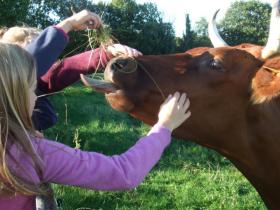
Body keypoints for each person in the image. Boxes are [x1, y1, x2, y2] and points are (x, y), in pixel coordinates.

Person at [0, 42, 191, 209]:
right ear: (14, 95)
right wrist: (165, 125)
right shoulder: (34, 154)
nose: (37, 96)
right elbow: (123, 173)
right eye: (33, 88)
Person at [0, 10, 142, 131]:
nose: (42, 68)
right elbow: (29, 63)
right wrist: (69, 24)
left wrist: (106, 53)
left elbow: (62, 71)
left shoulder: (32, 87)